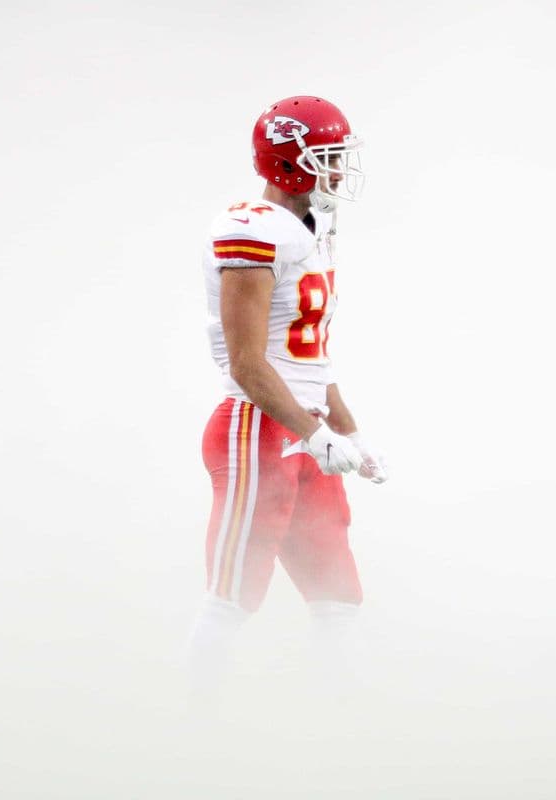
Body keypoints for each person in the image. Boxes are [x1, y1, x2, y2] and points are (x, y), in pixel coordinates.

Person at [185, 95, 386, 707]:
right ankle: (194, 720)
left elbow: (305, 358)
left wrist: (344, 428)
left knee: (337, 595)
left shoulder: (312, 227)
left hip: (302, 426)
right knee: (232, 596)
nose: (336, 170)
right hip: (257, 428)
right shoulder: (252, 230)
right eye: (325, 157)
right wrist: (311, 430)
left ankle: (338, 719)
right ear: (288, 162)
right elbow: (250, 364)